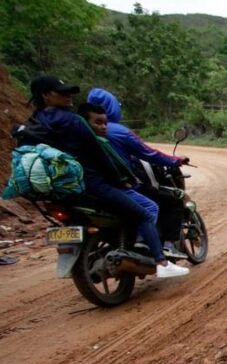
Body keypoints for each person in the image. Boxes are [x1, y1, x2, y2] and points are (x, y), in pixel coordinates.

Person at [18, 75, 188, 278]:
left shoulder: (33, 124)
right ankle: (161, 262)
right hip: (93, 183)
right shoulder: (73, 121)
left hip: (62, 189)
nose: (68, 96)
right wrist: (119, 181)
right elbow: (100, 154)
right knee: (145, 210)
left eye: (69, 92)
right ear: (46, 95)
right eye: (62, 93)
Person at [85, 88, 187, 257]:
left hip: (91, 187)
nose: (103, 127)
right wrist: (175, 160)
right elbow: (148, 153)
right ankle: (162, 247)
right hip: (119, 184)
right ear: (112, 107)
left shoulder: (81, 129)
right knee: (170, 202)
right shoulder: (119, 131)